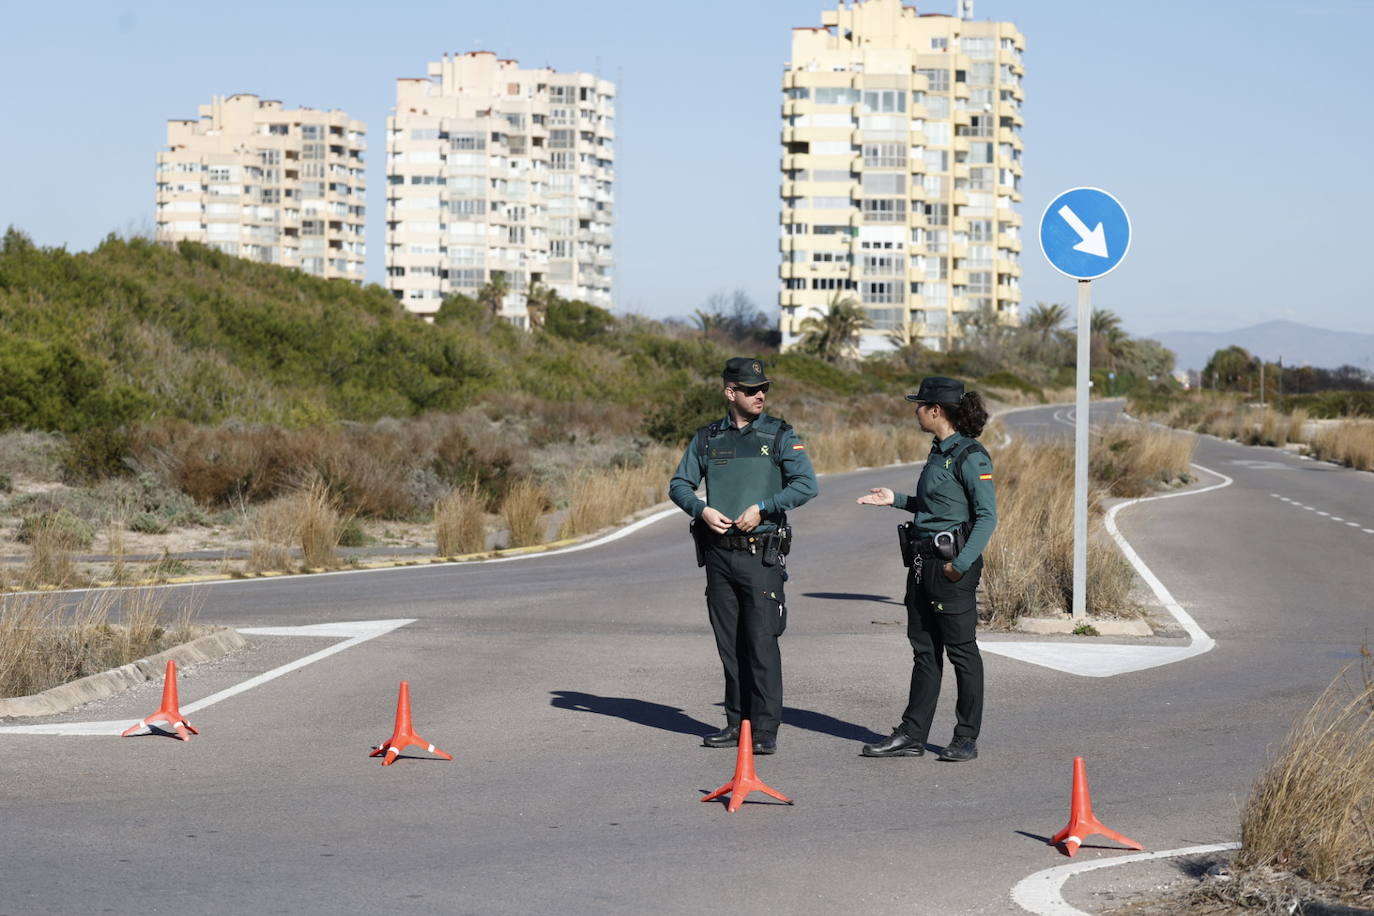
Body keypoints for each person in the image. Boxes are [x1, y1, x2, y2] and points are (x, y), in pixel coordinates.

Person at [669, 358, 818, 755]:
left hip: (761, 554)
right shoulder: (707, 438)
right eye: (751, 389)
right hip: (719, 555)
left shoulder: (780, 434)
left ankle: (766, 729)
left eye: (763, 388)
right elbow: (679, 484)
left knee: (761, 641)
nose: (760, 395)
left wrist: (765, 507)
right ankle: (737, 724)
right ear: (729, 392)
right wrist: (699, 509)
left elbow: (806, 485)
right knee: (730, 644)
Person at [855, 376, 996, 762]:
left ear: (936, 411)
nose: (915, 411)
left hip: (951, 568)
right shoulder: (939, 452)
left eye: (919, 405)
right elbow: (936, 506)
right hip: (921, 564)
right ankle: (913, 734)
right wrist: (896, 500)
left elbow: (986, 517)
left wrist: (960, 565)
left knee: (962, 653)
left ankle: (965, 737)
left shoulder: (970, 455)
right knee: (924, 652)